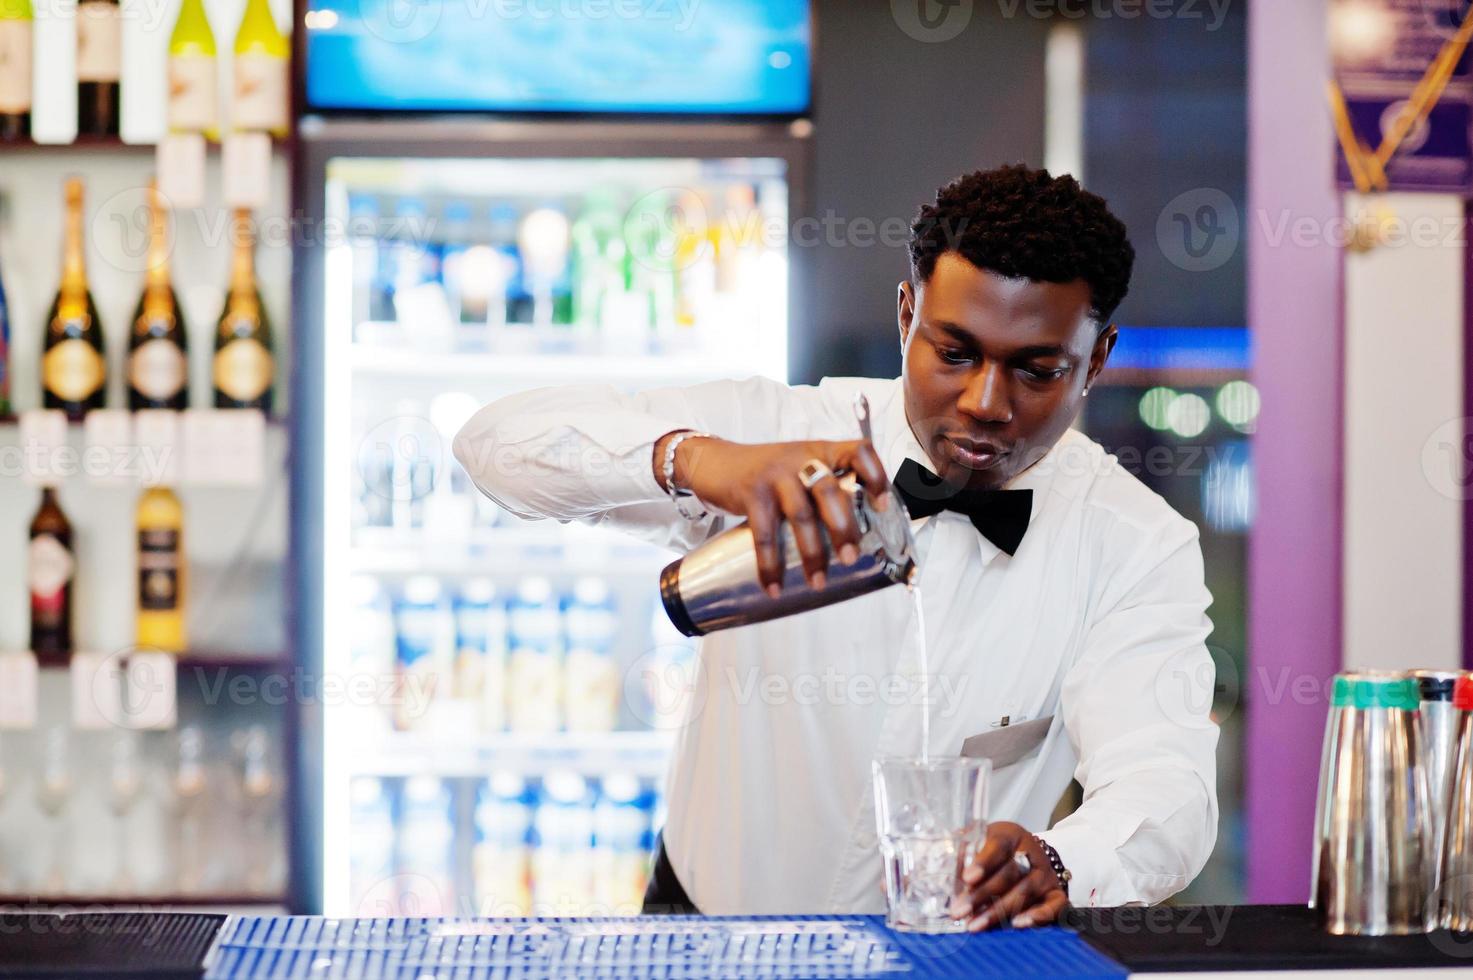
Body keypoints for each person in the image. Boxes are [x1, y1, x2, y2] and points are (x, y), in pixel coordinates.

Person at [454, 164, 1218, 928]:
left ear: (1097, 360)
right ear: (905, 315)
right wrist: (699, 460)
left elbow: (1164, 781)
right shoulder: (773, 428)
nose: (986, 404)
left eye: (1036, 370)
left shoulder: (1133, 543)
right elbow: (492, 445)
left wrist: (1058, 861)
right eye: (953, 353)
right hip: (702, 934)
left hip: (947, 954)